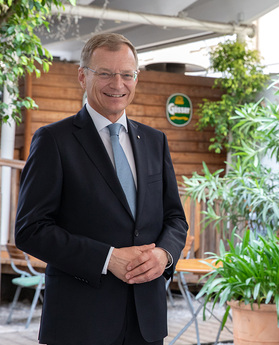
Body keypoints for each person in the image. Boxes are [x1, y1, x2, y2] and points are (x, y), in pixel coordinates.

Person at [15, 33, 189, 345]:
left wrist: (164, 254)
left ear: (136, 77)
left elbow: (175, 219)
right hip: (80, 322)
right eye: (105, 73)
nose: (117, 84)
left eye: (126, 74)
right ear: (82, 76)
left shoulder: (154, 141)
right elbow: (30, 229)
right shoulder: (54, 141)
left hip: (146, 322)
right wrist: (107, 258)